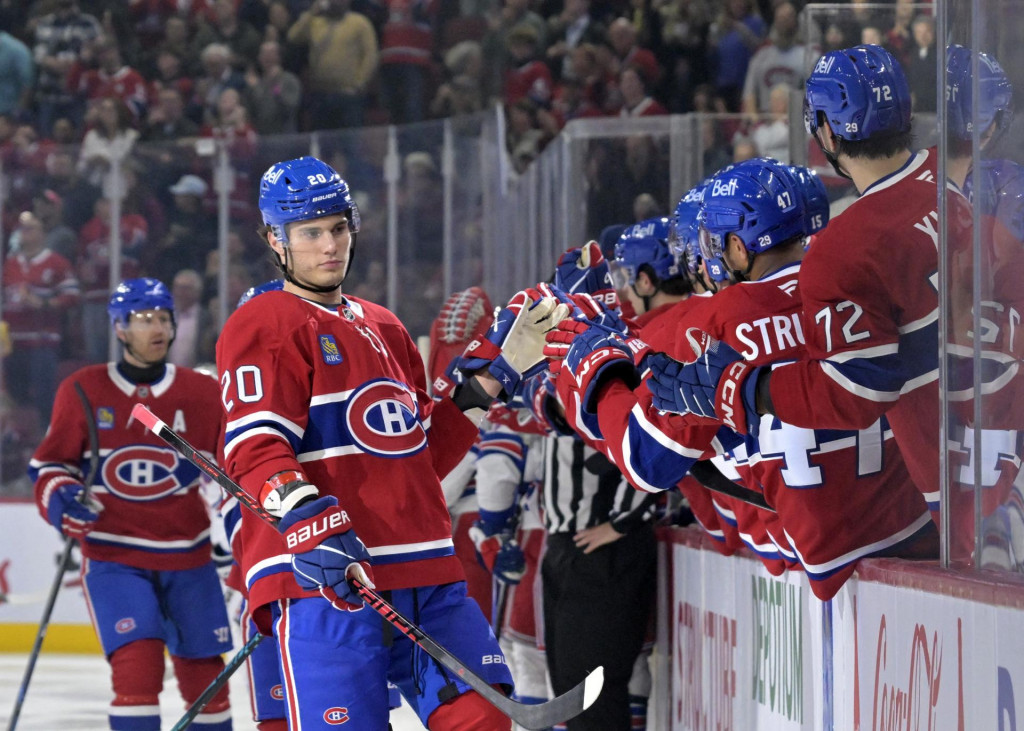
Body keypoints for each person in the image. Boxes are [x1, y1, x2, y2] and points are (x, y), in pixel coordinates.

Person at [216, 156, 518, 729]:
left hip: (425, 570)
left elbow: (419, 453)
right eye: (309, 233)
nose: (329, 245)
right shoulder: (265, 323)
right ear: (275, 240)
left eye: (338, 228)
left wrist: (485, 387)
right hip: (325, 580)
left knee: (482, 718)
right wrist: (306, 518)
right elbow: (255, 449)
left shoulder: (384, 324)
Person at [644, 45, 975, 525]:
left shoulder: (846, 247)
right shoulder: (954, 175)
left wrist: (741, 387)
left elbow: (856, 391)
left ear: (825, 130)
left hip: (957, 488)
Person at [29, 277, 234, 730]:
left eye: (164, 318)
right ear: (120, 328)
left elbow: (232, 472)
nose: (157, 328)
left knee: (208, 680)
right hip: (114, 556)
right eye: (144, 320)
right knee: (137, 670)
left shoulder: (202, 394)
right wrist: (63, 503)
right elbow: (48, 467)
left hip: (189, 555)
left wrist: (239, 527)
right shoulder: (84, 389)